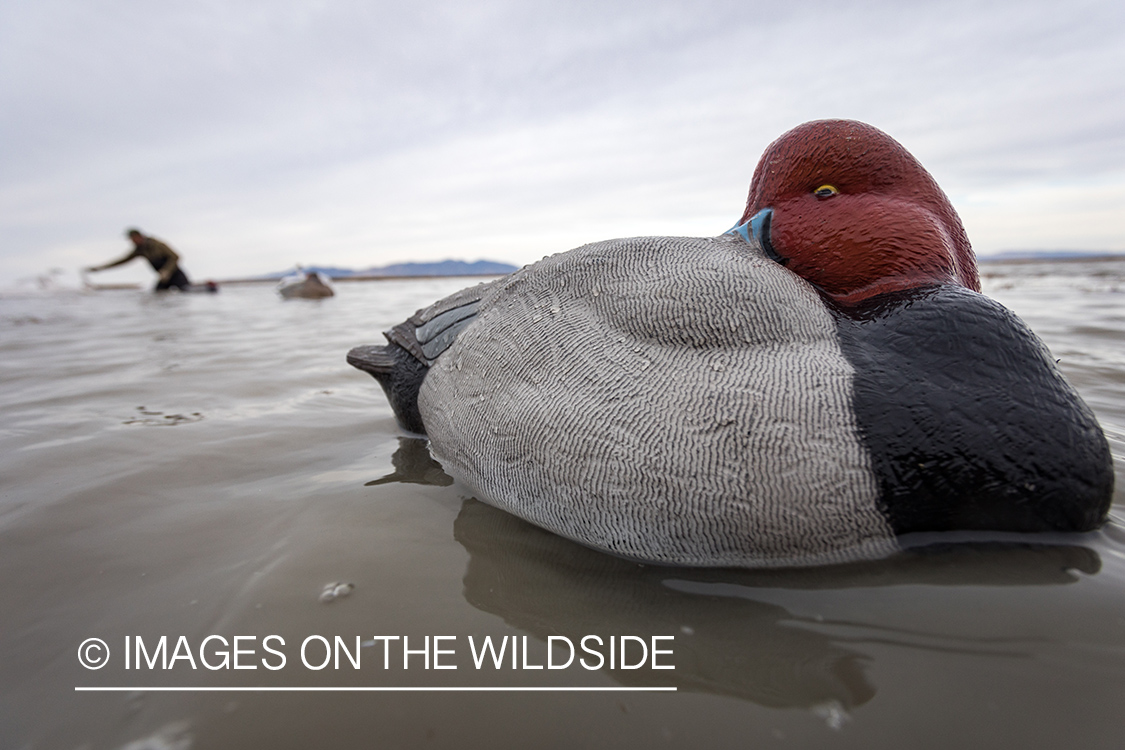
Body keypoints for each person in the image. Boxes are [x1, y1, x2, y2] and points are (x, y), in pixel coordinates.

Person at [86, 229, 191, 291]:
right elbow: (122, 260)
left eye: (132, 239)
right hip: (162, 278)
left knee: (187, 292)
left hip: (175, 274)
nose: (132, 241)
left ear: (139, 236)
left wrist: (167, 271)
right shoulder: (139, 250)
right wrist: (100, 268)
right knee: (158, 295)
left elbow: (175, 257)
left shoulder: (157, 244)